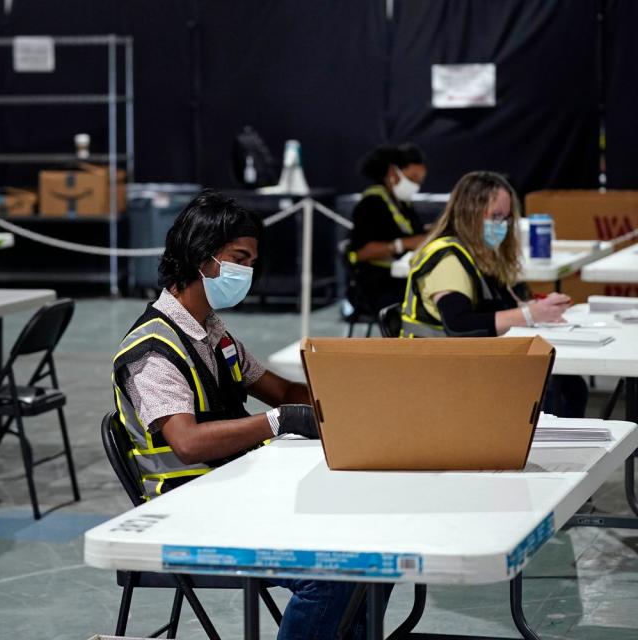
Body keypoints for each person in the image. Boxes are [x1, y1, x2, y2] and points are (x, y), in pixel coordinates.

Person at [112, 190, 380, 639]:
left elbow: (282, 390)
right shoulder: (152, 350)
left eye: (251, 261)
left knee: (371, 550)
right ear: (202, 255)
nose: (247, 272)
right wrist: (278, 422)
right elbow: (188, 442)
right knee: (332, 574)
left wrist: (353, 394)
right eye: (239, 258)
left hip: (233, 489)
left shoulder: (211, 329)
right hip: (188, 509)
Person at [400, 170, 587, 417]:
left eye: (507, 218)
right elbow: (459, 324)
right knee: (554, 387)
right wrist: (529, 315)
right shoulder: (448, 257)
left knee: (569, 384)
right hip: (436, 368)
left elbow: (505, 305)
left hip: (467, 359)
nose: (502, 226)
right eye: (496, 217)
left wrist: (540, 309)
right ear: (471, 213)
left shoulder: (478, 253)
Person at [347, 144, 429, 313]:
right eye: (412, 179)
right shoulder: (370, 204)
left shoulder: (403, 204)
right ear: (393, 172)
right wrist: (402, 244)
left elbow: (416, 233)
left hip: (401, 279)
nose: (416, 186)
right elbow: (361, 252)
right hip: (377, 284)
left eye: (419, 181)